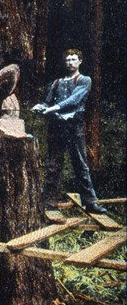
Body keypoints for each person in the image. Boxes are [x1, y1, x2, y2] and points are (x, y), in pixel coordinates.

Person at [32, 49, 107, 214]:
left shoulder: (84, 80)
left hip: (74, 127)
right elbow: (47, 102)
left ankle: (91, 202)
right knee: (53, 165)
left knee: (81, 165)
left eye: (74, 59)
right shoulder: (56, 83)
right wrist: (41, 107)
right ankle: (48, 202)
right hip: (56, 128)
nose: (70, 62)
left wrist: (53, 108)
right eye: (67, 60)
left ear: (80, 61)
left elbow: (74, 100)